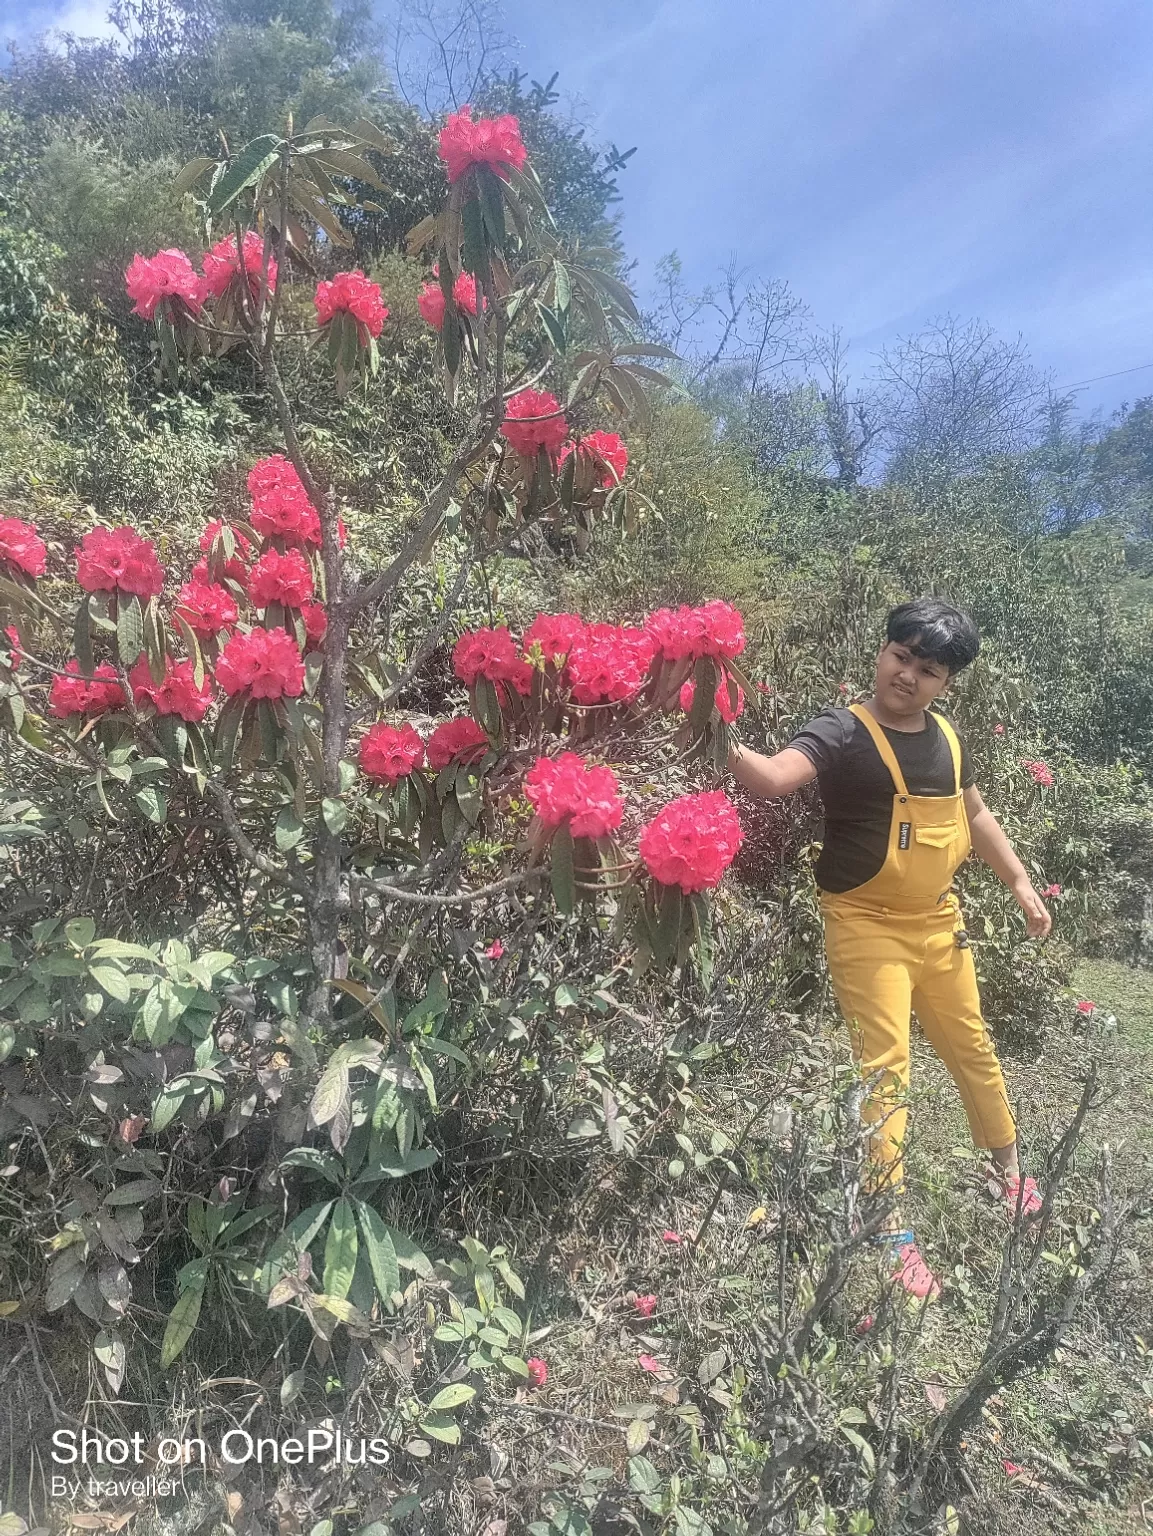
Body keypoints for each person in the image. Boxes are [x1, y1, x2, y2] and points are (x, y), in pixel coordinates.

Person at [729, 597, 1052, 1300]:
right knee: (886, 1069)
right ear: (881, 653)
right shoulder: (841, 731)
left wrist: (1020, 881)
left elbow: (974, 812)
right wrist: (711, 732)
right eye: (899, 657)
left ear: (945, 683)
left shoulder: (948, 738)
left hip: (939, 923)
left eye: (927, 669)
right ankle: (888, 1226)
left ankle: (1008, 1172)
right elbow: (772, 777)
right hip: (864, 925)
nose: (907, 676)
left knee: (971, 1046)